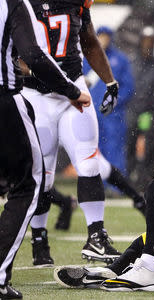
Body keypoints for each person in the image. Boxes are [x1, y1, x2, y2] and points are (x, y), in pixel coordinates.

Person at [20, 0, 122, 266]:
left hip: (73, 90)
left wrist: (110, 81)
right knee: (43, 175)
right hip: (36, 95)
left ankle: (96, 237)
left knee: (89, 162)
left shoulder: (77, 2)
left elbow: (88, 39)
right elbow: (13, 54)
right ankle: (39, 238)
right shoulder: (19, 3)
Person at [0, 0, 91, 297]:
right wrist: (72, 90)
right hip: (4, 99)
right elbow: (33, 55)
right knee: (29, 184)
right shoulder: (13, 4)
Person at [83, 26, 134, 175]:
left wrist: (114, 102)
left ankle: (116, 184)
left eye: (106, 36)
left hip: (112, 115)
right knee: (94, 149)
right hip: (91, 111)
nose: (104, 40)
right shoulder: (87, 58)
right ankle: (97, 183)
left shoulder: (120, 59)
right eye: (101, 36)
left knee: (114, 148)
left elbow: (128, 86)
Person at [127, 26, 154, 191]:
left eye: (150, 41)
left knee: (150, 148)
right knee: (129, 145)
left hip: (149, 113)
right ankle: (130, 179)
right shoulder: (131, 63)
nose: (147, 44)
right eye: (145, 40)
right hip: (133, 111)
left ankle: (147, 181)